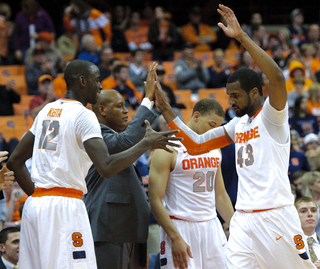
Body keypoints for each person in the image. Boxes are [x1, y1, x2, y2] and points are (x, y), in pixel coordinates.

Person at [154, 4, 316, 268]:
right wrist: (166, 109)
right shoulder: (236, 125)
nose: (231, 102)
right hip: (243, 220)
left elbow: (275, 77)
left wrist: (241, 38)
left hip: (276, 214)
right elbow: (195, 145)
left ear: (254, 92)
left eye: (236, 96)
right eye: (229, 96)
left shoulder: (272, 117)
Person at [6, 59, 181, 269]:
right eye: (97, 80)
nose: (100, 86)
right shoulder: (84, 115)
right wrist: (146, 143)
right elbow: (106, 167)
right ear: (82, 81)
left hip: (36, 206)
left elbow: (15, 161)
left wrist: (37, 194)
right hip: (65, 203)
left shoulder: (46, 111)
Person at [84, 65, 158, 268]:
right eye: (119, 106)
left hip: (128, 228)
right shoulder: (94, 134)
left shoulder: (111, 135)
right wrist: (148, 99)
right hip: (110, 228)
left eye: (125, 105)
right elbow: (126, 142)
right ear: (102, 109)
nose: (126, 111)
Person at [149, 98, 234, 269]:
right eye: (211, 125)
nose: (215, 131)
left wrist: (237, 227)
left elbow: (219, 194)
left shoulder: (214, 147)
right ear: (196, 116)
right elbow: (154, 199)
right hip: (180, 225)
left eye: (218, 126)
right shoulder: (168, 146)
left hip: (211, 225)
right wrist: (175, 237)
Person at [295, 197, 320, 267]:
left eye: (313, 210)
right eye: (303, 211)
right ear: (294, 216)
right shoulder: (289, 247)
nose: (310, 214)